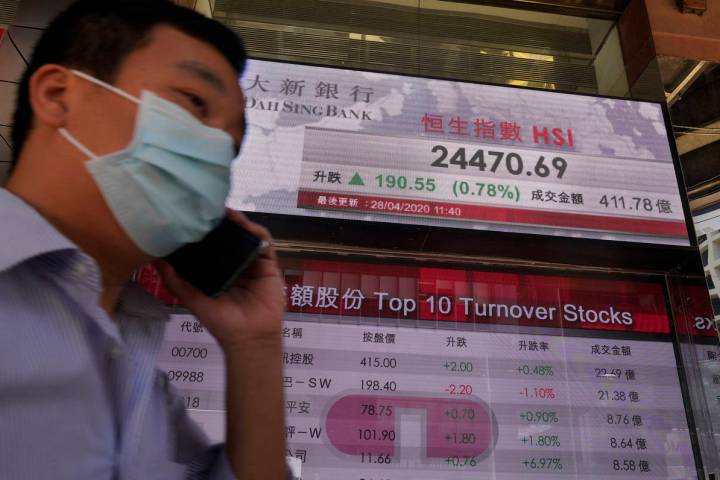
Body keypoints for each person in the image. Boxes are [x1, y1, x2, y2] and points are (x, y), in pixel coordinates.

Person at [0, 1, 288, 479]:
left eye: (231, 149)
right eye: (194, 103)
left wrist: (255, 344)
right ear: (56, 94)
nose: (215, 153)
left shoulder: (137, 370)